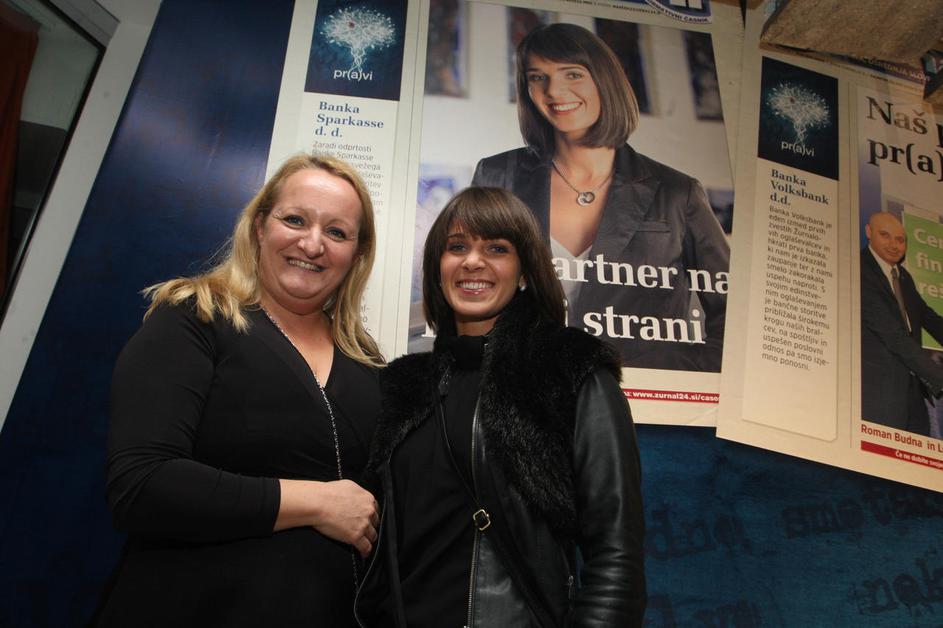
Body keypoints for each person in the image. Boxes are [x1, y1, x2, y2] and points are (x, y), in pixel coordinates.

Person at [94, 154, 383, 627]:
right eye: (295, 220)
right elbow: (140, 485)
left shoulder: (366, 362)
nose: (313, 244)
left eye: (336, 232)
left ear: (357, 253)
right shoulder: (195, 318)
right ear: (260, 226)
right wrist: (318, 502)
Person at [355, 187, 646, 627]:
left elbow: (616, 556)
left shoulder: (569, 370)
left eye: (496, 248)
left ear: (524, 270)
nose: (473, 261)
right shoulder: (403, 385)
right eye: (457, 247)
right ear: (437, 268)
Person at [472, 23, 729, 372]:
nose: (554, 91)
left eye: (572, 74)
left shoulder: (677, 192)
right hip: (523, 387)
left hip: (635, 393)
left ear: (605, 80)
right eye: (538, 77)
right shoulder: (497, 175)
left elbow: (732, 312)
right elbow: (469, 288)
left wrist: (674, 372)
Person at [860, 211, 943, 436]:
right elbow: (893, 335)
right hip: (881, 393)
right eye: (885, 235)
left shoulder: (903, 276)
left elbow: (927, 316)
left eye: (900, 239)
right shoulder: (859, 269)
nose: (894, 245)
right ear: (869, 232)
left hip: (914, 391)